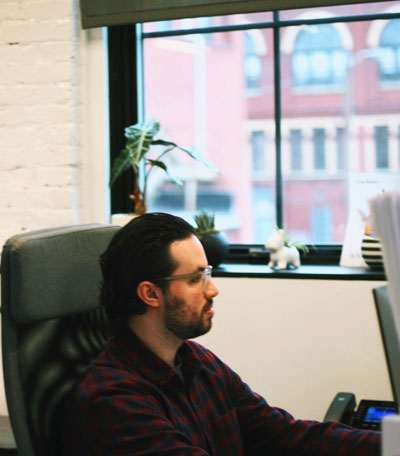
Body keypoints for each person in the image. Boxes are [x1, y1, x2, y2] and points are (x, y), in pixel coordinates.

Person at [62, 212, 380, 455]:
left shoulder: (197, 362)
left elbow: (284, 435)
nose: (212, 289)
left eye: (209, 273)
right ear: (150, 294)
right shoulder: (114, 400)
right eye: (195, 279)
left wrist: (389, 444)